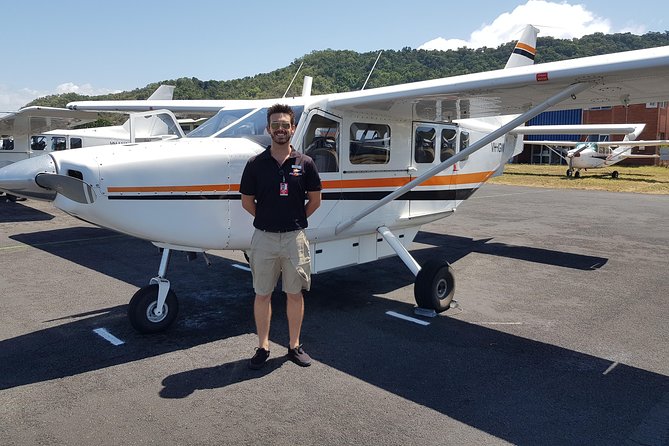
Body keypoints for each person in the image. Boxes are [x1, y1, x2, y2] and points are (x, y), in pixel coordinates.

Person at [239, 103, 322, 370]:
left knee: (294, 293)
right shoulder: (255, 164)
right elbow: (246, 202)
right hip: (263, 238)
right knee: (262, 294)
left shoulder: (305, 163)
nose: (280, 130)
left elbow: (315, 200)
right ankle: (263, 346)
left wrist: (296, 220)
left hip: (294, 238)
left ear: (293, 128)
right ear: (268, 129)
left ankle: (294, 345)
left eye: (285, 125)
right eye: (275, 125)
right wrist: (266, 220)